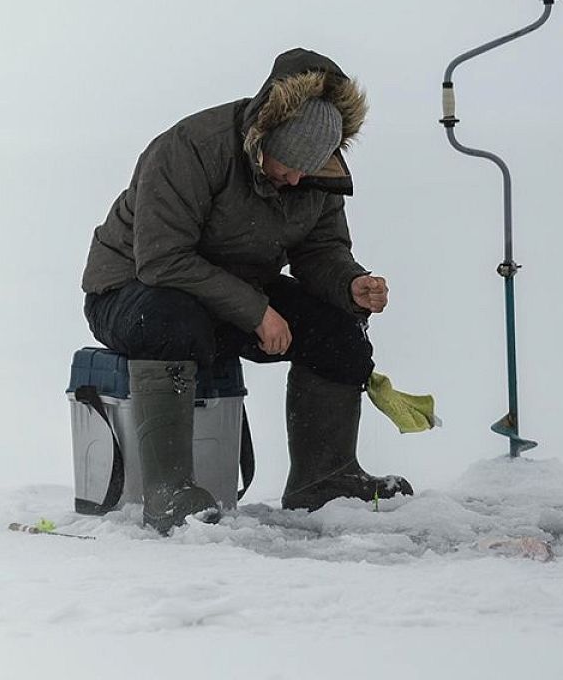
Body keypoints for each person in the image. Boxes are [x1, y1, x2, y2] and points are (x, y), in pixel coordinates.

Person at [80, 48, 413, 534]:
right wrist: (257, 310)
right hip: (129, 290)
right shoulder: (190, 147)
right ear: (264, 137)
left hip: (230, 294)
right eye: (288, 165)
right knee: (174, 321)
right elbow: (161, 260)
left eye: (309, 169)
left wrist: (350, 283)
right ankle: (169, 494)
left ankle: (324, 480)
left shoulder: (315, 174)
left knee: (339, 329)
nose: (296, 179)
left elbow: (321, 251)